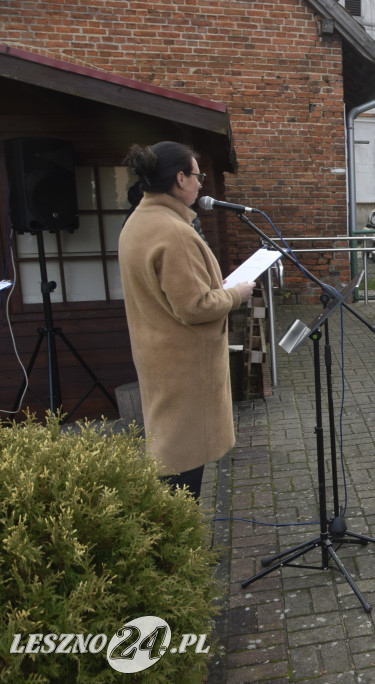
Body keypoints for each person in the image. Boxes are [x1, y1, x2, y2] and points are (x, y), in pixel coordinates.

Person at [119, 141, 255, 499]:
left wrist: (215, 288)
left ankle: (175, 541)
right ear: (180, 178)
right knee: (181, 468)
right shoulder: (173, 231)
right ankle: (176, 547)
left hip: (158, 355)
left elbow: (174, 292)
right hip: (183, 366)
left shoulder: (140, 220)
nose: (201, 184)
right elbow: (194, 306)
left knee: (171, 457)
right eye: (198, 176)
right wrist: (234, 295)